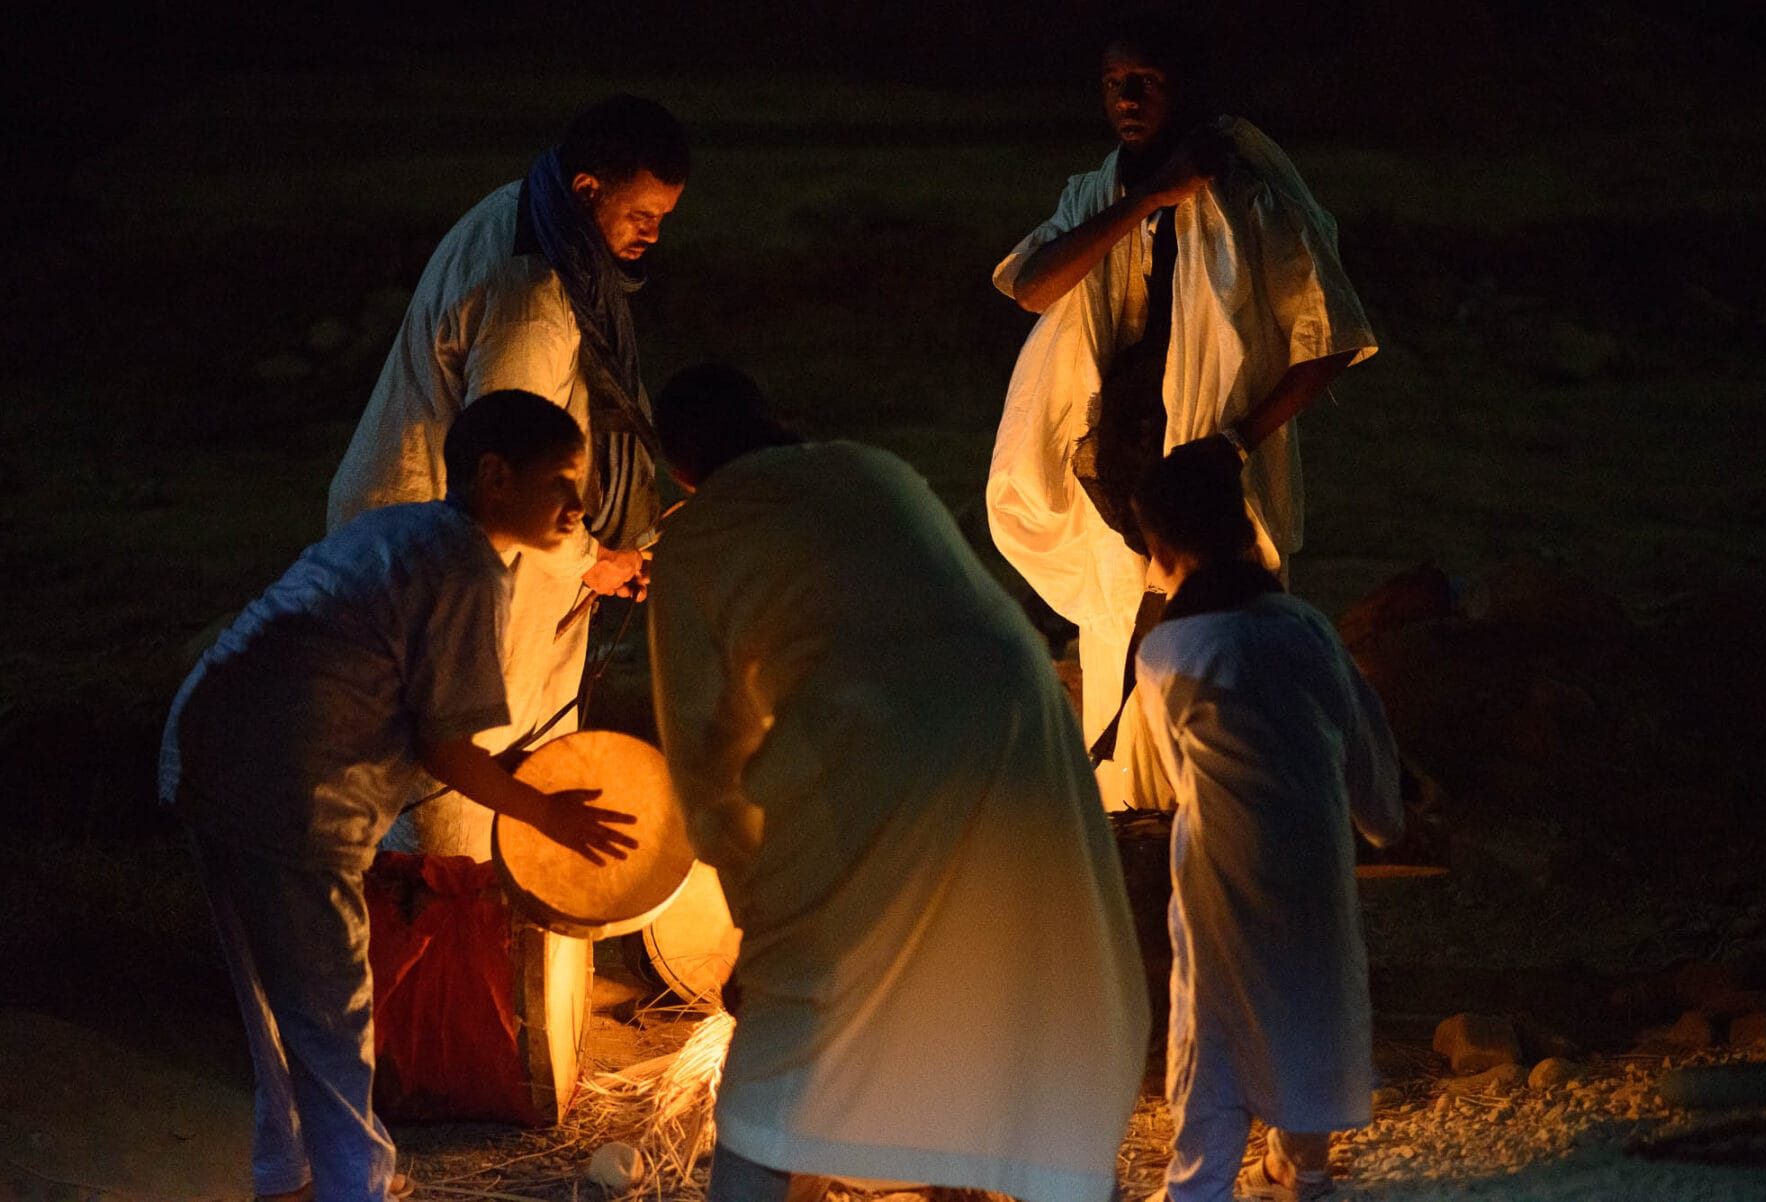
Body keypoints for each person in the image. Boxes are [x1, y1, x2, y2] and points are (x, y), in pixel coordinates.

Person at [645, 363, 1149, 1202]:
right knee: (1008, 968)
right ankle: (995, 1170)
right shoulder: (870, 467)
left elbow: (707, 752)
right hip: (1018, 718)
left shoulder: (697, 536)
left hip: (877, 738)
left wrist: (756, 925)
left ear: (681, 471)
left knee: (789, 1025)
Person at [162, 391, 642, 1202]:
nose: (579, 505)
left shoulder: (405, 532)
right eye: (561, 481)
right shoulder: (463, 566)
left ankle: (286, 1175)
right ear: (495, 476)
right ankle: (357, 1186)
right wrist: (549, 814)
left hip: (206, 754)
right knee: (334, 1021)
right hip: (292, 792)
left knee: (276, 1009)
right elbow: (447, 750)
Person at [987, 9, 1378, 810]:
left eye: (1146, 83)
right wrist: (1152, 199)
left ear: (1186, 88)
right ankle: (1134, 825)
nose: (1125, 99)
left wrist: (1232, 445)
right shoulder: (1099, 193)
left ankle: (1217, 817)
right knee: (1115, 649)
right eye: (1112, 85)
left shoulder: (1250, 195)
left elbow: (1331, 337)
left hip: (1207, 469)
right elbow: (1033, 287)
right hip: (1121, 468)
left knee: (1213, 647)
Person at [327, 94, 688, 856]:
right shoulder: (534, 295)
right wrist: (594, 559)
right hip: (446, 548)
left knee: (460, 759)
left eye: (664, 215)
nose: (653, 235)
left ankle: (461, 942)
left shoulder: (530, 212)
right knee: (458, 776)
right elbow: (512, 478)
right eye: (642, 214)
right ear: (588, 190)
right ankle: (442, 946)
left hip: (440, 536)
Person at [1129, 438, 1404, 1202]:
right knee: (1307, 1005)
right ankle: (1305, 1170)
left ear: (1164, 547)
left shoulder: (1170, 651)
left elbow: (1186, 779)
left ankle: (1198, 1185)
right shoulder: (1304, 625)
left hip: (1228, 867)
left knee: (1212, 1025)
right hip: (1314, 854)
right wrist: (1382, 820)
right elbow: (1362, 733)